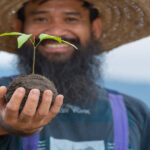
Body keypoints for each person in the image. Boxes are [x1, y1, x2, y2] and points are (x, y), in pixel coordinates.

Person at [0, 0, 150, 149]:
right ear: (19, 28)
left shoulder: (135, 112)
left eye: (71, 19)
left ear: (95, 28)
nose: (56, 32)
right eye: (41, 19)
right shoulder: (3, 94)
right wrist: (3, 124)